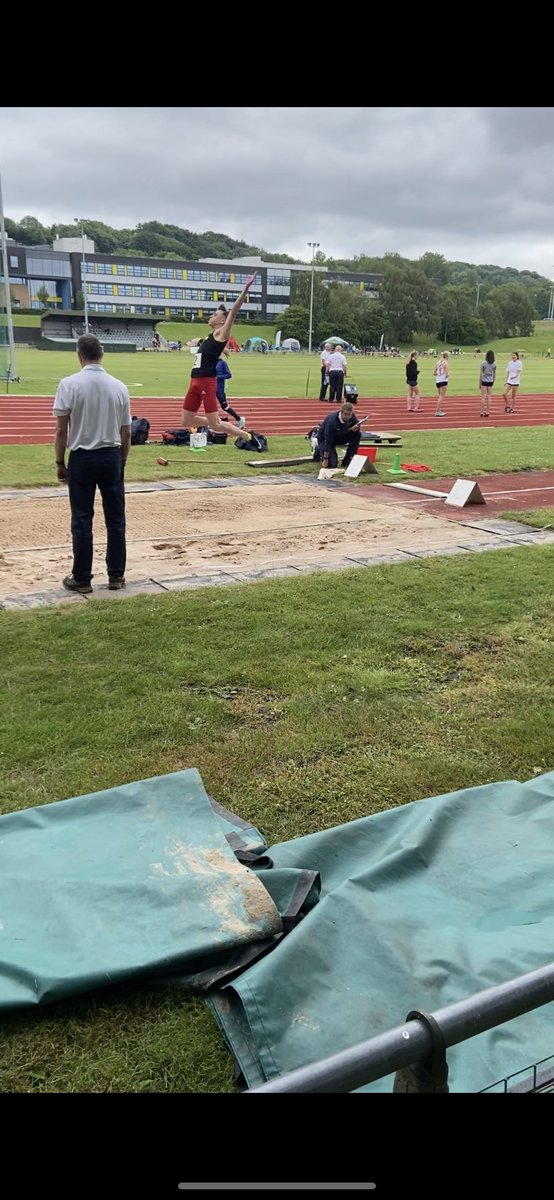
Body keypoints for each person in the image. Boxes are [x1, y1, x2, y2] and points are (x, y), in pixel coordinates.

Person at [52, 334, 131, 594]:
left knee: (82, 518)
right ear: (102, 354)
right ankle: (116, 576)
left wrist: (60, 462)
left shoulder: (69, 384)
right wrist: (122, 461)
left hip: (82, 457)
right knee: (116, 519)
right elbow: (126, 432)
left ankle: (82, 577)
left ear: (79, 355)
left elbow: (61, 431)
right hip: (111, 455)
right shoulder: (119, 386)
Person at [181, 276, 257, 442]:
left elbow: (234, 312)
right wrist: (224, 350)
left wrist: (245, 288)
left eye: (214, 315)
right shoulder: (213, 336)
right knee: (186, 420)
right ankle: (216, 422)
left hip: (206, 382)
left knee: (215, 425)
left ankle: (246, 436)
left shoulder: (223, 332)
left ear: (222, 320)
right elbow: (213, 348)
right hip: (194, 381)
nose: (211, 316)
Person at [317, 402, 361, 468]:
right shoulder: (332, 421)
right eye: (345, 414)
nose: (347, 417)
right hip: (326, 439)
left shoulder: (352, 417)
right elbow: (327, 441)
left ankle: (348, 459)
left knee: (357, 434)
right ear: (341, 412)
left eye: (349, 414)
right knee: (332, 464)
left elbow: (356, 427)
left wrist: (355, 430)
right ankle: (319, 450)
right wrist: (325, 459)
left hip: (341, 436)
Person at [215, 353, 245, 426]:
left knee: (224, 407)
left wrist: (218, 377)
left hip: (220, 389)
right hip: (211, 388)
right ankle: (213, 422)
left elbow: (229, 375)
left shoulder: (222, 363)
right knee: (210, 406)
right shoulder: (210, 363)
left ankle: (239, 419)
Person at [479, 349, 496, 417]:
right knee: (489, 397)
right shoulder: (494, 364)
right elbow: (494, 374)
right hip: (490, 381)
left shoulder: (483, 363)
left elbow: (481, 374)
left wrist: (479, 383)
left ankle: (482, 411)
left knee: (483, 397)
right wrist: (493, 381)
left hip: (484, 380)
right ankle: (488, 412)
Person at [433, 351, 449, 416]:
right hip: (443, 381)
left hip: (438, 381)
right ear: (447, 356)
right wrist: (448, 374)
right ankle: (437, 411)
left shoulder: (438, 362)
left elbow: (434, 373)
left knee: (440, 396)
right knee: (441, 396)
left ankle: (439, 410)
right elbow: (446, 374)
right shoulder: (445, 363)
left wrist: (439, 374)